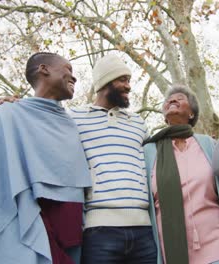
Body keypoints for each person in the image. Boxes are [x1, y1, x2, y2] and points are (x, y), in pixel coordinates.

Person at [0, 52, 92, 263]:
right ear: (44, 69)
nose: (74, 77)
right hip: (28, 215)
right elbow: (0, 179)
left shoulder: (75, 122)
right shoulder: (9, 114)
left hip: (72, 221)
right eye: (68, 69)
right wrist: (9, 108)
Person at [67, 54, 157, 264]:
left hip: (144, 229)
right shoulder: (74, 118)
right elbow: (41, 128)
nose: (128, 86)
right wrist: (13, 106)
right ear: (106, 82)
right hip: (99, 231)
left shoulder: (137, 122)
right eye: (123, 80)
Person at [143, 85, 219, 264]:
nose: (172, 100)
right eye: (169, 99)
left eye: (180, 98)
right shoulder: (149, 152)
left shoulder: (209, 145)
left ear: (191, 114)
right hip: (172, 251)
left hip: (217, 247)